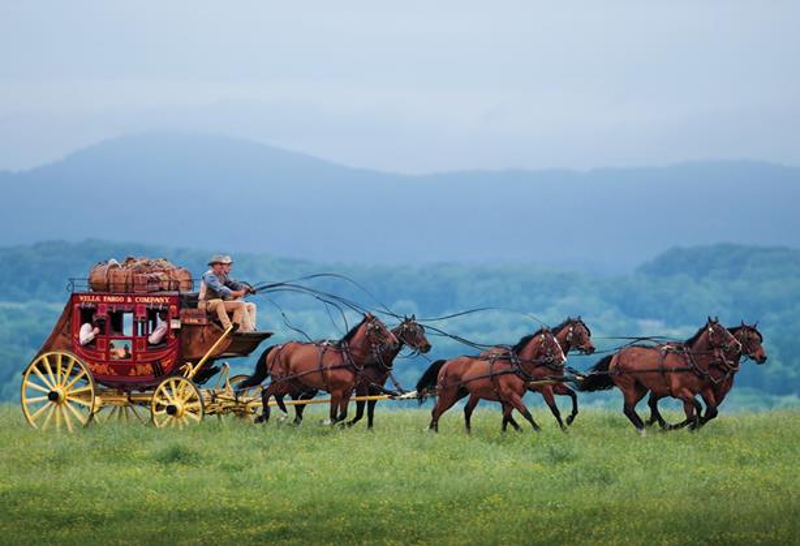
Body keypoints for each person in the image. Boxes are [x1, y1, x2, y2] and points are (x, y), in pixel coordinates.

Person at [198, 255, 256, 332]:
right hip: (206, 303)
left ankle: (242, 327)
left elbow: (233, 284)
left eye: (223, 264)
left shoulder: (222, 276)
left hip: (219, 303)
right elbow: (221, 290)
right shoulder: (209, 276)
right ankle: (228, 327)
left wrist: (247, 289)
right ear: (214, 266)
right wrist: (238, 293)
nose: (222, 266)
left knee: (242, 305)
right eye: (220, 264)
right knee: (219, 302)